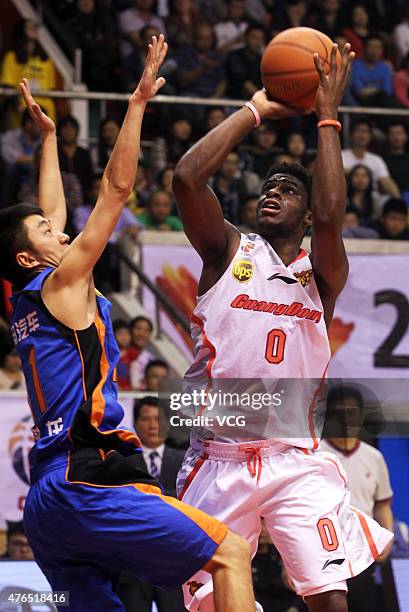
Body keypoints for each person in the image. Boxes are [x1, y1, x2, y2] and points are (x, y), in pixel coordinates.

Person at [0, 38, 255, 612]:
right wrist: (137, 103)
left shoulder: (27, 301)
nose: (60, 231)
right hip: (88, 481)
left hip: (47, 504)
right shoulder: (65, 281)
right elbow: (115, 190)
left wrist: (48, 142)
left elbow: (55, 217)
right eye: (46, 232)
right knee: (231, 553)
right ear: (29, 257)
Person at [172, 42, 393, 612]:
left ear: (305, 208)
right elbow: (188, 180)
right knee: (216, 603)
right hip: (220, 455)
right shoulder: (227, 251)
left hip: (295, 457)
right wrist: (255, 111)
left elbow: (330, 216)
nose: (273, 192)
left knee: (329, 598)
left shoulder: (322, 272)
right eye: (268, 187)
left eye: (287, 189)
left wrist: (326, 116)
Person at [320, 385, 394, 612]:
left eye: (350, 412)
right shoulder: (314, 457)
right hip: (323, 553)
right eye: (337, 412)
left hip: (362, 555)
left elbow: (382, 505)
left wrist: (387, 537)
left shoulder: (374, 457)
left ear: (361, 415)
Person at [116, 396, 187, 612]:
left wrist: (147, 498)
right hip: (132, 560)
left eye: (158, 419)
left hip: (175, 558)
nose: (153, 425)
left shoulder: (186, 458)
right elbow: (120, 502)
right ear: (135, 424)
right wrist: (167, 499)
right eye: (146, 419)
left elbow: (190, 498)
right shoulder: (120, 461)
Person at [0, 18, 57, 124]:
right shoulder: (11, 57)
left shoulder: (46, 60)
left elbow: (51, 90)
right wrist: (19, 108)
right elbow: (8, 87)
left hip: (46, 110)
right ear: (21, 30)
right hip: (22, 109)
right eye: (30, 27)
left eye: (35, 27)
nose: (34, 29)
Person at [341, 120, 400, 204]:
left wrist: (399, 200)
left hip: (372, 201)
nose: (362, 135)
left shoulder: (376, 159)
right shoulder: (340, 155)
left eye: (366, 131)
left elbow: (386, 181)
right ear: (350, 134)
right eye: (358, 131)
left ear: (370, 136)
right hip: (345, 198)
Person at [0, 108, 40, 208]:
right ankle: (3, 208)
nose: (42, 126)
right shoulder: (11, 136)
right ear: (28, 124)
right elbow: (8, 157)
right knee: (10, 169)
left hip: (34, 179)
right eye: (38, 123)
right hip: (15, 178)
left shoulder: (43, 139)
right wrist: (34, 159)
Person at [57, 114, 94, 202]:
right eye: (65, 128)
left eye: (72, 128)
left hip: (82, 196)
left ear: (77, 131)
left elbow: (89, 176)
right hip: (59, 192)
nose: (68, 131)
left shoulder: (84, 153)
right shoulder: (55, 151)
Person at [225, 24, 265, 99]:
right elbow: (245, 83)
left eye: (261, 39)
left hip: (256, 102)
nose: (257, 42)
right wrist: (263, 101)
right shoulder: (234, 57)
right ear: (245, 38)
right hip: (233, 101)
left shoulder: (263, 60)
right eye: (254, 37)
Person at [382, 122, 409, 196]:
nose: (396, 137)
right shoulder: (380, 159)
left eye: (399, 133)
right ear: (387, 137)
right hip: (388, 197)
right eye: (392, 134)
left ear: (406, 136)